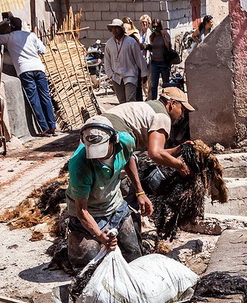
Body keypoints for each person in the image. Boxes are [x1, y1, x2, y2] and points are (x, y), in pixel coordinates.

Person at [66, 116, 152, 270]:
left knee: (134, 255)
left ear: (114, 140)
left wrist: (140, 192)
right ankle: (75, 242)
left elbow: (128, 158)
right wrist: (99, 235)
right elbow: (81, 210)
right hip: (89, 213)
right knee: (89, 265)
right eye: (93, 151)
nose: (98, 156)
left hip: (115, 206)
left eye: (101, 150)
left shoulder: (126, 141)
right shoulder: (79, 164)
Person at [98, 86, 193, 178]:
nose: (182, 116)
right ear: (172, 104)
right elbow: (155, 154)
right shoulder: (162, 116)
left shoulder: (150, 106)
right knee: (112, 180)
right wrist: (180, 165)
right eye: (182, 110)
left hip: (98, 127)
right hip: (111, 135)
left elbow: (156, 152)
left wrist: (179, 148)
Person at [0, 17, 56, 136]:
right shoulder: (31, 36)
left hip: (24, 70)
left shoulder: (9, 37)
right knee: (45, 97)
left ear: (11, 27)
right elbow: (43, 50)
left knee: (34, 99)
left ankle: (44, 128)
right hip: (38, 68)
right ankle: (52, 126)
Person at [104, 18, 148, 103]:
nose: (115, 30)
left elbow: (139, 58)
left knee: (130, 100)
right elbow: (107, 61)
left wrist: (144, 73)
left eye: (117, 28)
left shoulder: (131, 42)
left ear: (122, 29)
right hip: (116, 77)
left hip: (130, 75)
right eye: (113, 28)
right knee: (122, 101)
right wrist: (110, 75)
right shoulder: (109, 44)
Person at [147, 19, 173, 100]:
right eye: (153, 27)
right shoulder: (152, 36)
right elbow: (153, 47)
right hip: (155, 62)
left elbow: (168, 46)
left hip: (164, 62)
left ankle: (165, 99)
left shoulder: (164, 34)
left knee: (165, 83)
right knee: (154, 84)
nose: (155, 28)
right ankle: (154, 100)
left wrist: (163, 35)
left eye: (157, 26)